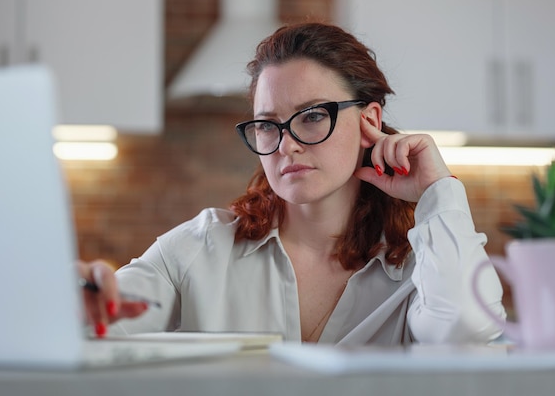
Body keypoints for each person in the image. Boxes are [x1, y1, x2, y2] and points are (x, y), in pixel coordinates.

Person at [77, 22, 506, 344]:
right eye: (268, 125)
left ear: (369, 122)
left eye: (314, 115)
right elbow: (97, 319)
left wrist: (438, 192)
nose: (287, 145)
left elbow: (465, 338)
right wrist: (81, 295)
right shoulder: (198, 250)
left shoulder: (423, 265)